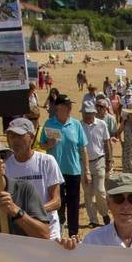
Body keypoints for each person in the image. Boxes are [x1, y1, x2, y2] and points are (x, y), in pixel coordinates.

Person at [4, 117, 63, 239]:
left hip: (49, 230)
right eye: (11, 136)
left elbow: (56, 201)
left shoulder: (47, 161)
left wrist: (32, 213)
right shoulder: (5, 167)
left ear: (31, 137)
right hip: (19, 231)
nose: (15, 141)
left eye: (19, 136)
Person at [39, 94, 88, 236]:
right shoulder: (49, 124)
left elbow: (83, 148)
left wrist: (87, 171)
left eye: (69, 106)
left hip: (73, 170)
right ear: (58, 107)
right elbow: (41, 144)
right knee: (58, 203)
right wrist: (48, 144)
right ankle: (59, 228)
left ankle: (74, 233)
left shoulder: (76, 124)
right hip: (55, 171)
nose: (69, 108)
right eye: (66, 106)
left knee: (74, 203)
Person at [81, 103, 111, 227]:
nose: (86, 115)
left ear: (94, 113)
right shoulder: (79, 125)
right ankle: (93, 219)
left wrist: (110, 159)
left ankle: (104, 213)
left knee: (100, 190)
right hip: (83, 162)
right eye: (84, 113)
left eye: (89, 113)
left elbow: (107, 142)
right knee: (88, 193)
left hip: (99, 160)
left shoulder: (102, 124)